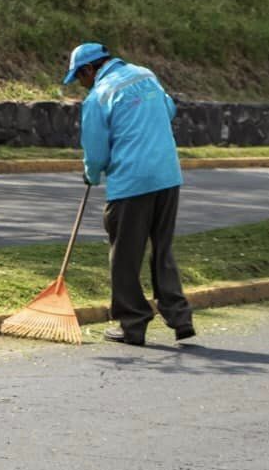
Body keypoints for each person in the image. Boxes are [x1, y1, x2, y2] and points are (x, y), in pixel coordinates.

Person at [66, 41, 195, 346]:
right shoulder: (144, 75)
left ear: (89, 69)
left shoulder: (99, 95)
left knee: (125, 256)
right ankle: (179, 316)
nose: (81, 86)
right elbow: (169, 108)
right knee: (162, 249)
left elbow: (96, 151)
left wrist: (91, 173)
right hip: (167, 176)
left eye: (79, 79)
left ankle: (132, 323)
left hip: (132, 183)